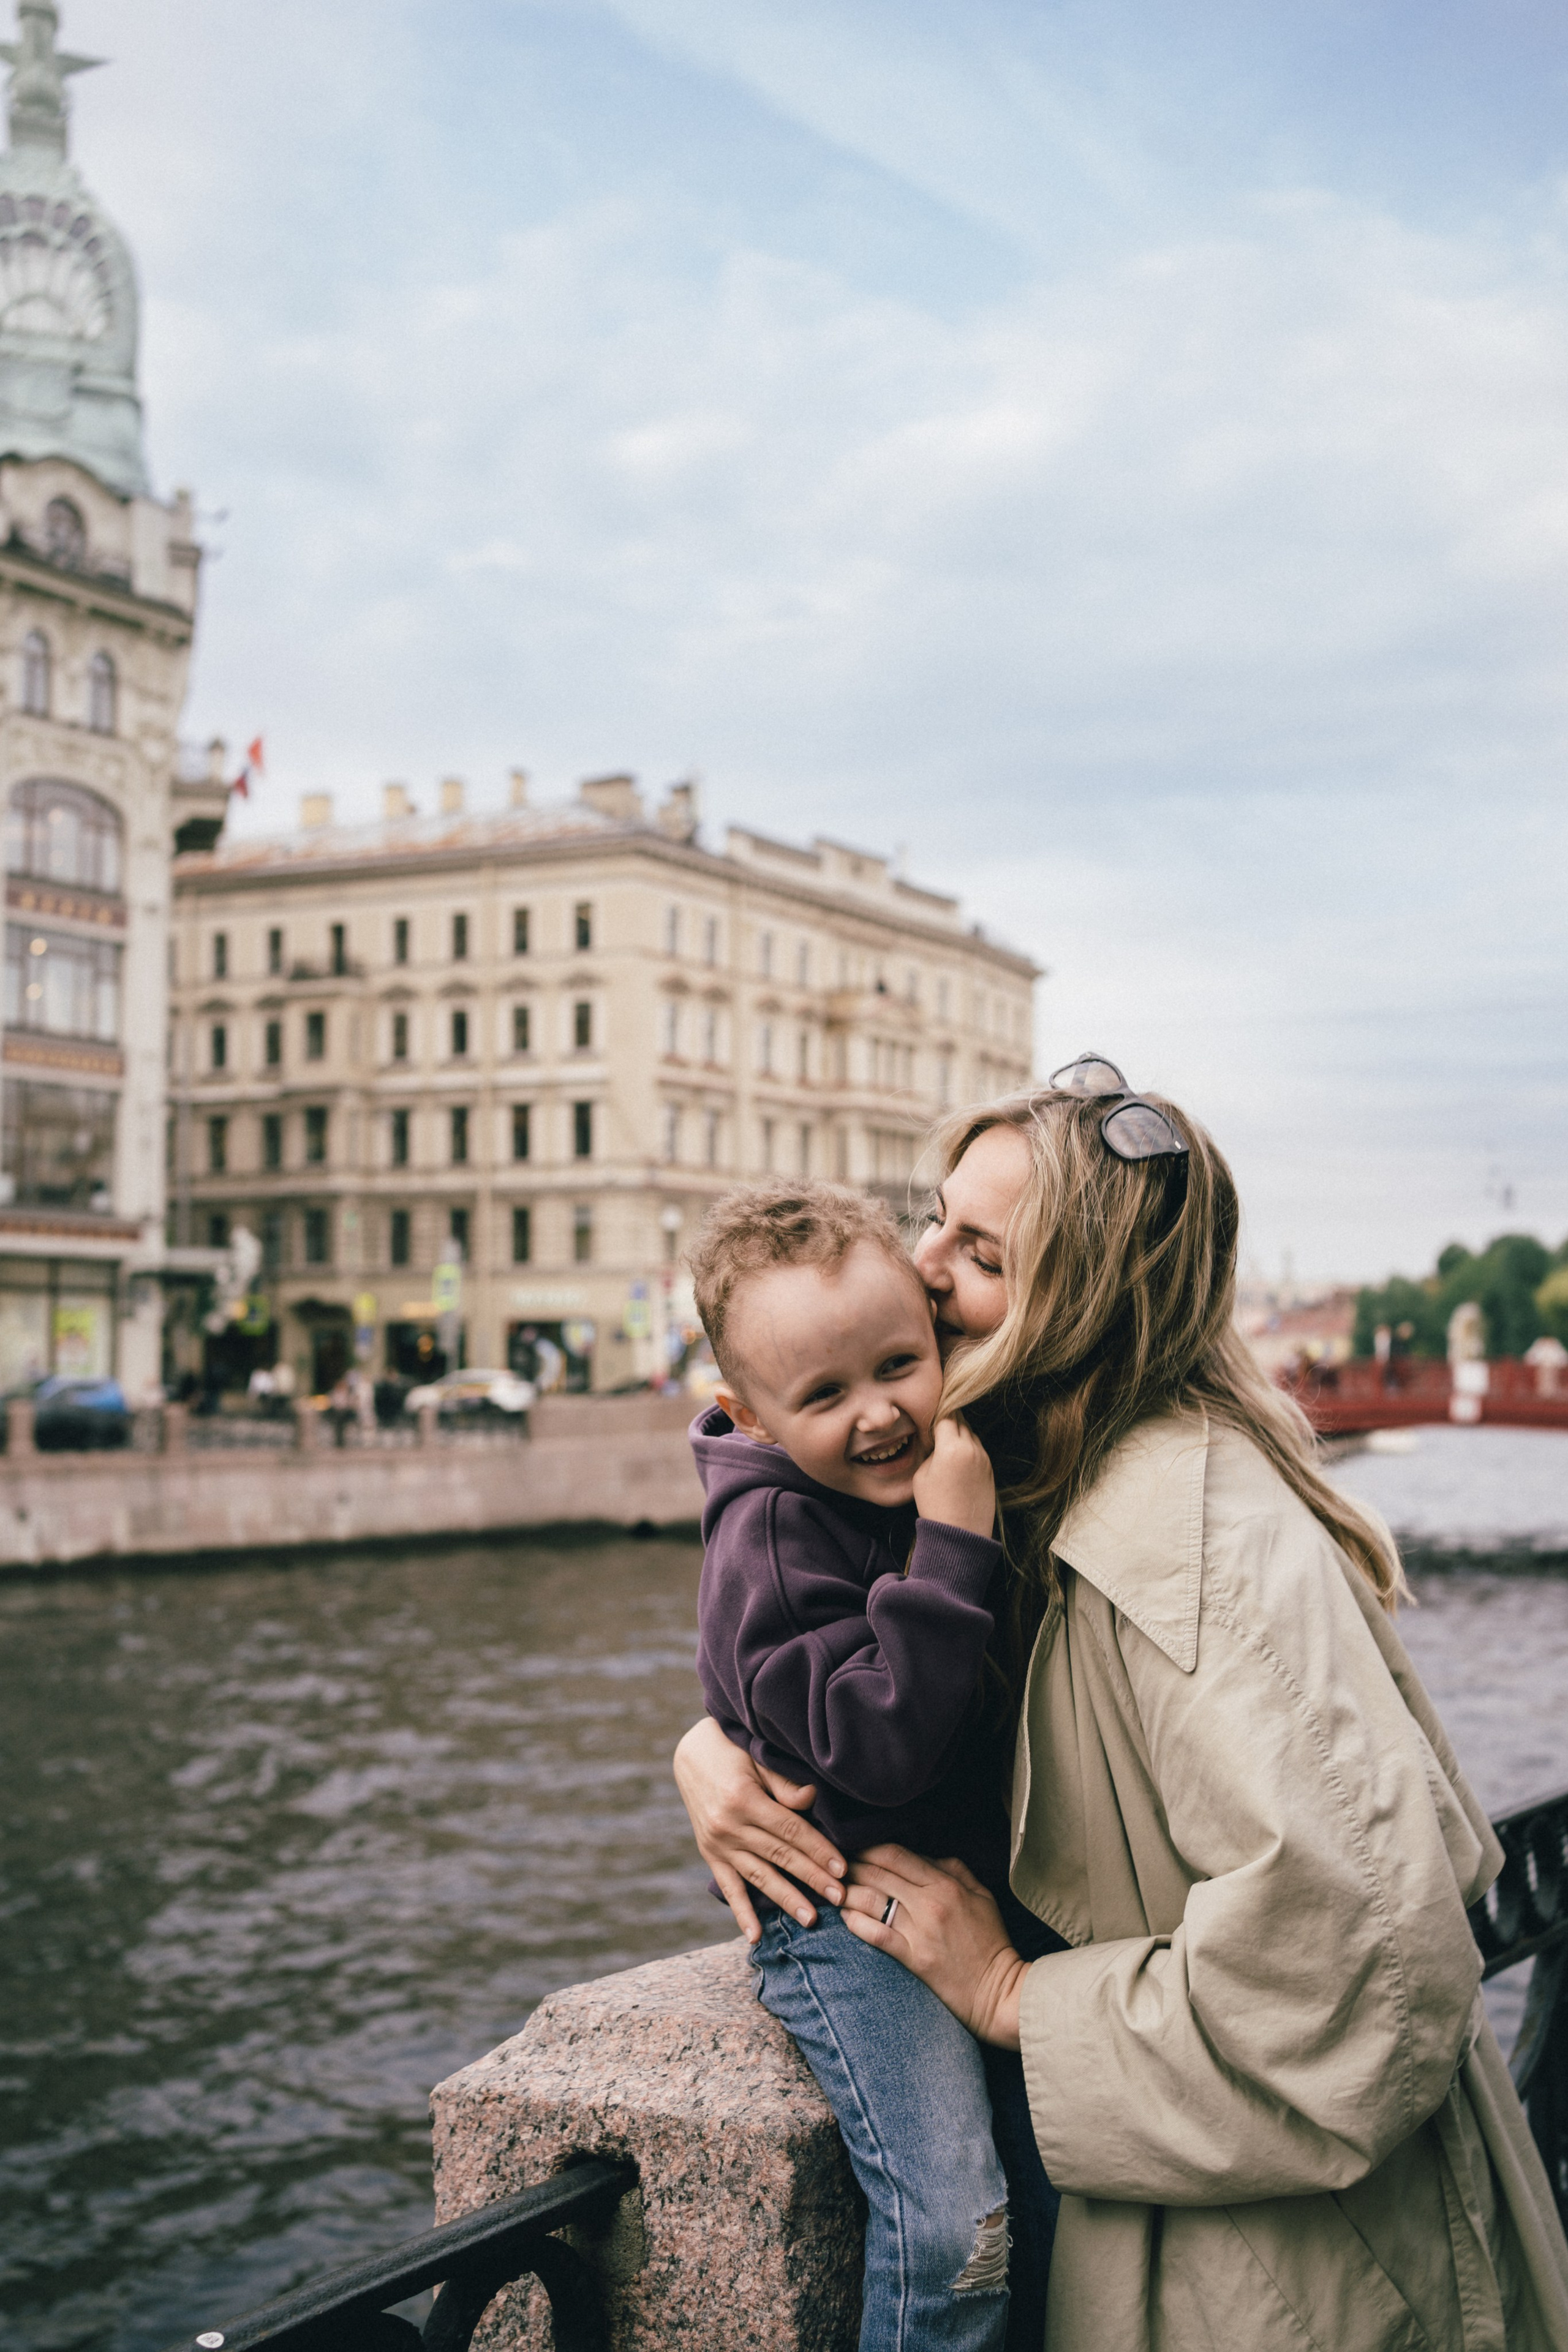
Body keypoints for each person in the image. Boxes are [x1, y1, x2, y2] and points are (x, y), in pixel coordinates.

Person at [676, 1061, 1568, 2352]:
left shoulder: (1192, 1547)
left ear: (1079, 1302)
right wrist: (716, 1742)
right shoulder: (1031, 1479)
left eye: (979, 1254)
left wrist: (1010, 1997)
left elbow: (1370, 1982)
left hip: (1288, 2291)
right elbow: (835, 1637)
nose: (922, 1269)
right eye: (934, 1219)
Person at [687, 1179, 1066, 2352]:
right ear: (749, 1418)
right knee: (954, 2221)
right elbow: (879, 1750)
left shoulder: (903, 1468)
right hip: (842, 1915)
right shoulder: (773, 1537)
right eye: (824, 1394)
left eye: (900, 1365)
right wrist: (952, 1544)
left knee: (1049, 2197)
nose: (880, 1414)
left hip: (952, 1895)